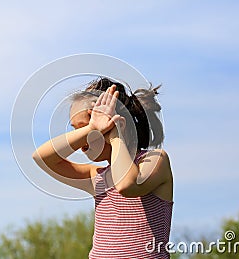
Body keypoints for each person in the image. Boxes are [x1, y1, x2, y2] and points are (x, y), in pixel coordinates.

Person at [32, 77, 173, 259]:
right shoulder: (96, 178)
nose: (80, 141)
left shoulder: (154, 160)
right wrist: (91, 127)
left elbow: (126, 185)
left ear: (115, 122)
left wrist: (115, 136)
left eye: (87, 130)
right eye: (77, 131)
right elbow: (41, 158)